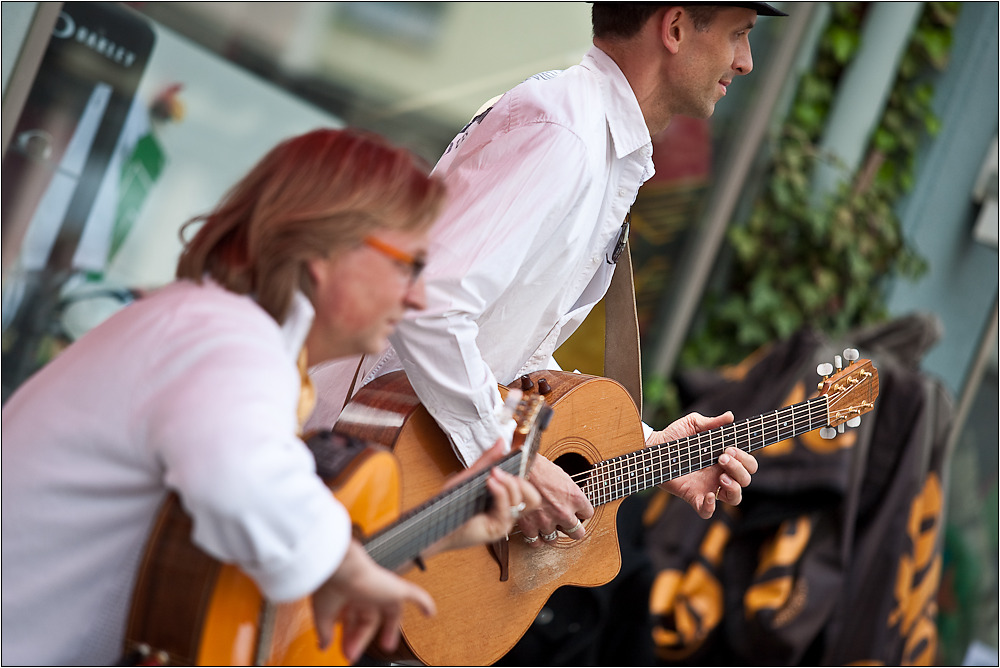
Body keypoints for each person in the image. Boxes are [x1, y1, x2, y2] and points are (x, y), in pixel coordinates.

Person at [0, 128, 540, 666]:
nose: (419, 295)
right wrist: (348, 567)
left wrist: (432, 533)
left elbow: (247, 562)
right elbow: (241, 480)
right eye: (409, 265)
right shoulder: (227, 342)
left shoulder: (226, 338)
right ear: (325, 249)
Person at [309, 2, 785, 551]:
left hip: (378, 474)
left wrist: (644, 447)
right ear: (675, 28)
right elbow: (430, 305)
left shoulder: (590, 138)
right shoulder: (566, 136)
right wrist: (513, 459)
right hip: (349, 468)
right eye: (739, 35)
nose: (746, 61)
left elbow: (513, 348)